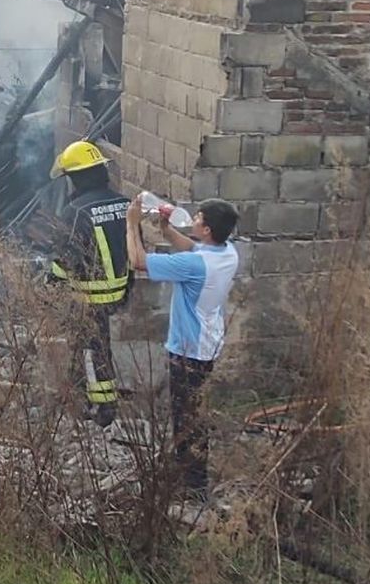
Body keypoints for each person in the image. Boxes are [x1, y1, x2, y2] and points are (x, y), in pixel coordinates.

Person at [126, 195, 240, 498]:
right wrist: (165, 229)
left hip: (188, 350)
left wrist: (131, 225)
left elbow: (138, 262)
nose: (194, 219)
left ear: (207, 230)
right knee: (194, 413)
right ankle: (190, 473)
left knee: (186, 418)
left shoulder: (194, 264)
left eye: (199, 218)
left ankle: (193, 485)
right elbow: (193, 248)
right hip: (207, 344)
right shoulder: (227, 252)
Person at [46, 140, 132, 426]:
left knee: (90, 348)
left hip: (90, 295)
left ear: (77, 177)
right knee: (96, 346)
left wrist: (51, 280)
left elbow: (66, 259)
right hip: (121, 289)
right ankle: (87, 396)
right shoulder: (123, 203)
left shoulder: (75, 212)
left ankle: (102, 407)